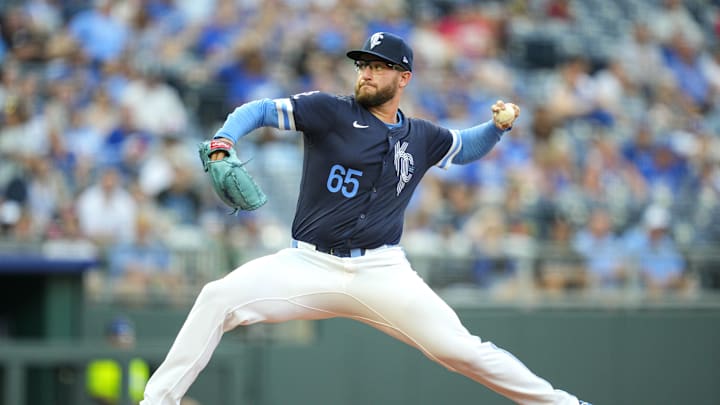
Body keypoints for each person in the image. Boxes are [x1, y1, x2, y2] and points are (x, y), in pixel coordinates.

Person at [140, 32, 591, 405]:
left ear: (403, 77)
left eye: (378, 65)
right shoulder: (330, 111)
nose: (366, 72)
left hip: (382, 269)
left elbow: (464, 145)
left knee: (462, 351)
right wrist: (223, 142)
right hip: (308, 264)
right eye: (362, 64)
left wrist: (496, 128)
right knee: (217, 297)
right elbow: (256, 110)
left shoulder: (421, 136)